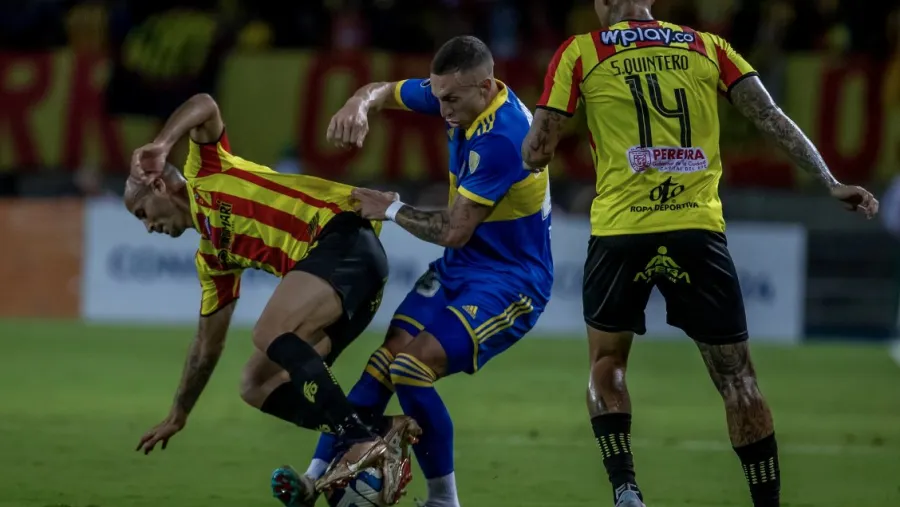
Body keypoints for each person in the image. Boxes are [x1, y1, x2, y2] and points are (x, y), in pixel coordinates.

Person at [521, 1, 880, 507]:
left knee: (606, 361)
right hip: (696, 228)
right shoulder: (705, 46)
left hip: (621, 231)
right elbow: (769, 116)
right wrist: (830, 180)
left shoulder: (580, 53)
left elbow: (538, 150)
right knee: (739, 378)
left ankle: (626, 490)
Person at [271, 36, 553, 507]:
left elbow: (456, 229)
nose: (441, 108)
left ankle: (445, 500)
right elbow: (384, 90)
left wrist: (392, 208)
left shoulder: (503, 138)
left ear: (485, 88)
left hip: (510, 282)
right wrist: (358, 103)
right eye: (438, 96)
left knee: (411, 369)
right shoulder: (457, 93)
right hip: (458, 269)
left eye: (450, 99)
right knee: (384, 363)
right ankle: (313, 476)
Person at [124, 93, 422, 505]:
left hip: (345, 236)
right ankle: (377, 429)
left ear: (158, 184)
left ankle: (358, 440)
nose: (148, 227)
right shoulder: (213, 261)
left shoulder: (207, 169)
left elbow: (205, 105)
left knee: (269, 331)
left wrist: (161, 143)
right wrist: (179, 413)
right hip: (350, 290)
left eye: (142, 213)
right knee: (255, 383)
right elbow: (206, 349)